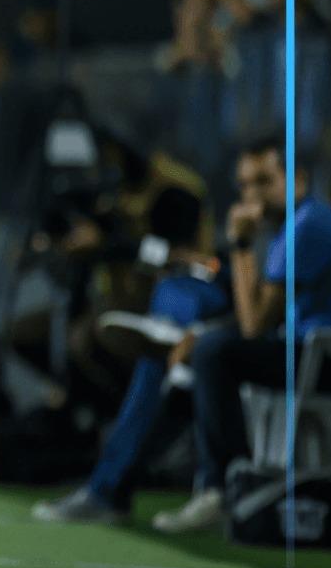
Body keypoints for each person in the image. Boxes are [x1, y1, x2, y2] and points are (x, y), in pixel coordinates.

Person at [152, 135, 331, 533]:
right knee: (204, 348)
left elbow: (254, 324)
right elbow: (263, 320)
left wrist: (240, 243)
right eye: (244, 184)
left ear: (297, 180)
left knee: (213, 353)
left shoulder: (307, 227)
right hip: (312, 353)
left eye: (263, 181)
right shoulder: (298, 224)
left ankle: (226, 489)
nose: (251, 195)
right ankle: (162, 474)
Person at [33, 185, 229, 523]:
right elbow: (143, 252)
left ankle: (110, 489)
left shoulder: (213, 265)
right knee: (160, 367)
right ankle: (109, 487)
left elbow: (247, 300)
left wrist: (200, 330)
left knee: (169, 349)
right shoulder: (167, 259)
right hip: (197, 350)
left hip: (233, 343)